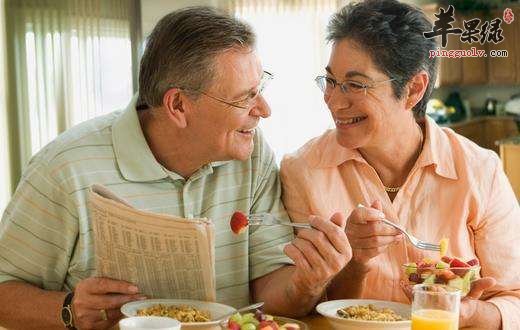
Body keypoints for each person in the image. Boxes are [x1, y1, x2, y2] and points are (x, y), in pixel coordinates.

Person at [0, 6, 351, 330]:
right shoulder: (66, 168)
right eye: (245, 96)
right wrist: (68, 309)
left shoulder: (253, 156)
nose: (264, 109)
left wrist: (309, 279)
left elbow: (271, 296)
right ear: (178, 105)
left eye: (261, 88)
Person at [280, 0, 520, 329]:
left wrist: (467, 313)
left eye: (356, 84)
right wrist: (356, 263)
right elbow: (303, 310)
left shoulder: (481, 171)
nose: (334, 101)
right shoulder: (303, 171)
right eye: (331, 81)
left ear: (413, 89)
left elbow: (514, 298)